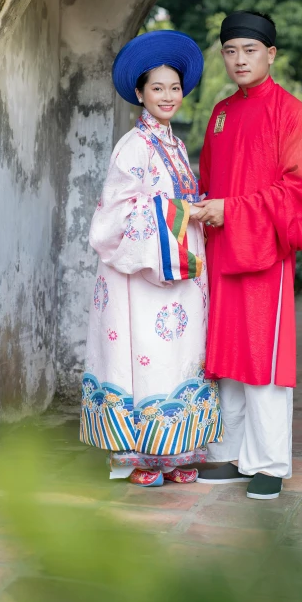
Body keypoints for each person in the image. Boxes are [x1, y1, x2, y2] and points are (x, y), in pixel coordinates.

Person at [79, 30, 223, 487]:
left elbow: (176, 197)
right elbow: (115, 212)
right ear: (139, 93)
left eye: (174, 87)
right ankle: (142, 456)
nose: (167, 96)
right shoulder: (133, 145)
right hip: (141, 275)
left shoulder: (177, 146)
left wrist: (194, 206)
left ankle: (179, 452)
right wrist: (177, 210)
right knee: (146, 355)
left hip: (180, 271)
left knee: (179, 356)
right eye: (157, 88)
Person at [192, 11, 302, 499]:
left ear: (271, 54)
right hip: (223, 249)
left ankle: (269, 463)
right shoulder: (221, 112)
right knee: (225, 356)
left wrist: (233, 211)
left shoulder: (293, 114)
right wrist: (206, 210)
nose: (239, 59)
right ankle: (230, 453)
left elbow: (300, 193)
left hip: (264, 250)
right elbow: (206, 180)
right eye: (230, 51)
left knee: (263, 360)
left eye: (249, 50)